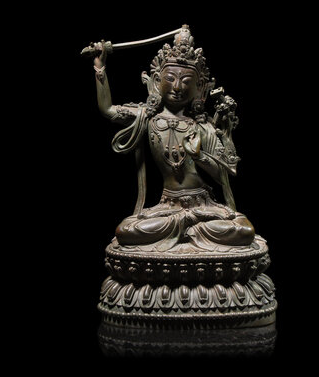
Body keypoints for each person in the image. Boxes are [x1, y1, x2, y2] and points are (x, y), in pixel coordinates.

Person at [92, 26, 255, 253]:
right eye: (170, 78)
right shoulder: (147, 118)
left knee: (244, 231)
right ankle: (186, 229)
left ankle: (188, 229)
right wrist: (100, 68)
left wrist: (199, 156)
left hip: (204, 207)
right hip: (167, 208)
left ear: (199, 88)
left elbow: (223, 176)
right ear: (157, 80)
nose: (177, 87)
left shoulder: (202, 126)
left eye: (186, 81)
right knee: (126, 231)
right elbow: (108, 110)